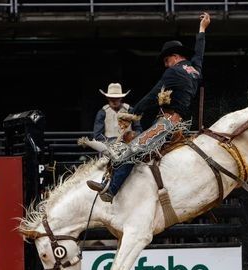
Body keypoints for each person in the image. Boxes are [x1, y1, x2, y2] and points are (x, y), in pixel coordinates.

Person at [86, 12, 211, 202]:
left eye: (166, 61)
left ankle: (111, 189)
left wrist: (132, 113)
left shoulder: (172, 73)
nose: (165, 65)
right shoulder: (195, 70)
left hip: (167, 124)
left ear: (175, 57)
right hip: (178, 122)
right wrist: (202, 29)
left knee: (132, 149)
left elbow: (152, 96)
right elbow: (199, 54)